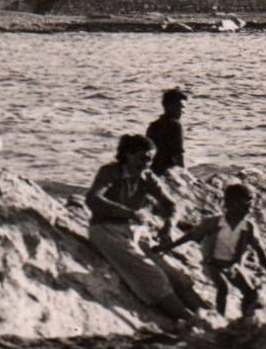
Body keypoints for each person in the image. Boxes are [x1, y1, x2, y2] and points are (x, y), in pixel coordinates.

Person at [86, 134, 204, 330]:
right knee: (152, 275)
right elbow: (92, 199)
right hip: (106, 230)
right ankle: (194, 322)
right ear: (127, 155)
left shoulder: (147, 176)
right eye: (142, 158)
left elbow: (172, 205)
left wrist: (169, 224)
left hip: (134, 231)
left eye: (150, 159)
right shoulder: (110, 172)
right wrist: (129, 212)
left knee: (176, 276)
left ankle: (210, 314)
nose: (146, 163)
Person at [153, 183, 266, 317]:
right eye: (245, 205)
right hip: (212, 264)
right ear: (230, 204)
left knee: (251, 293)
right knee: (223, 288)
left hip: (233, 266)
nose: (249, 210)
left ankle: (245, 321)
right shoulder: (213, 223)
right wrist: (166, 247)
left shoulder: (248, 227)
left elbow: (260, 251)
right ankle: (220, 319)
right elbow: (190, 236)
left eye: (250, 206)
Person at [146, 88, 187, 176]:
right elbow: (177, 155)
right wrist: (185, 175)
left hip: (153, 172)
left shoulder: (153, 126)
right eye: (179, 107)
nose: (181, 111)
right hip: (169, 174)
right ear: (170, 106)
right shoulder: (175, 125)